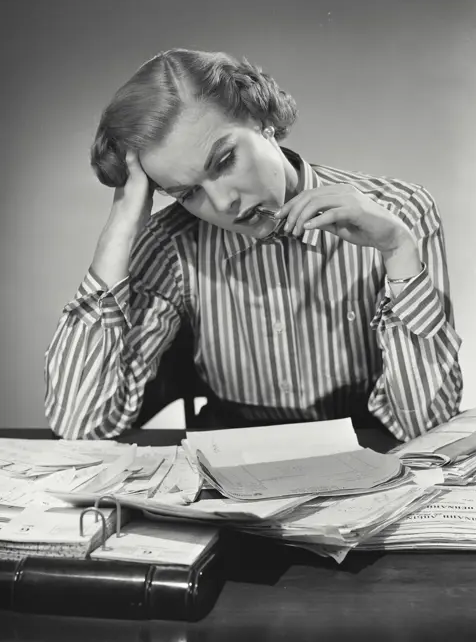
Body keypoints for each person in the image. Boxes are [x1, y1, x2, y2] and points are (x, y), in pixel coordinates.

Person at [44, 48, 463, 441]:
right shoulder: (172, 243)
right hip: (229, 472)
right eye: (188, 193)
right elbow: (80, 426)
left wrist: (396, 249)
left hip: (370, 463)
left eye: (224, 161)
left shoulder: (399, 211)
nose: (223, 202)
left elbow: (426, 427)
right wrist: (119, 231)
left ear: (261, 119)